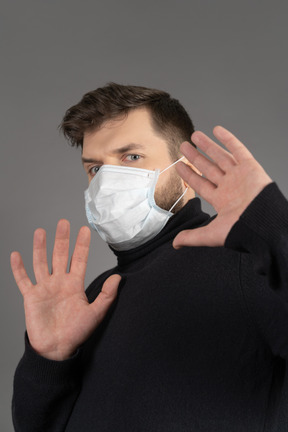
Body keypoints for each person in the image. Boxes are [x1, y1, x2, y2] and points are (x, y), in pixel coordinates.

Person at [11, 83, 288, 431]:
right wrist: (49, 361)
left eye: (131, 157)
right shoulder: (94, 297)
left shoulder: (250, 265)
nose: (107, 181)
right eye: (95, 168)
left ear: (189, 169)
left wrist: (274, 226)